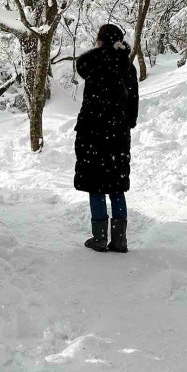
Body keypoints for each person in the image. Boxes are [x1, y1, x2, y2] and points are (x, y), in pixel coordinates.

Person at [74, 23, 139, 253]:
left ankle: (100, 238)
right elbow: (133, 109)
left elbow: (82, 68)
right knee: (116, 185)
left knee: (96, 185)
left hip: (92, 133)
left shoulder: (92, 65)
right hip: (118, 135)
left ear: (100, 41)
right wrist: (123, 124)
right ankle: (119, 240)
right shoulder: (128, 68)